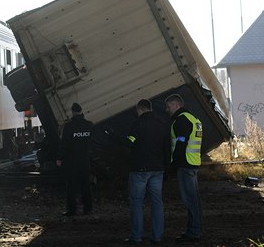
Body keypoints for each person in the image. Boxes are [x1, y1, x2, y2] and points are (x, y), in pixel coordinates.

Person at [106, 99, 170, 245]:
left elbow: (130, 141)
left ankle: (137, 236)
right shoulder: (162, 125)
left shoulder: (138, 123)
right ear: (151, 109)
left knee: (137, 203)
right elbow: (167, 148)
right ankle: (157, 237)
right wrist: (166, 167)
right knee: (157, 203)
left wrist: (113, 136)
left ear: (139, 110)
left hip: (140, 169)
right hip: (157, 169)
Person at [165, 93, 203, 244]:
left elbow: (181, 142)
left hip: (185, 165)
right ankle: (194, 230)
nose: (167, 110)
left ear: (175, 105)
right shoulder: (194, 119)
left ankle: (194, 232)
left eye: (168, 107)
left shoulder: (182, 120)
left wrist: (173, 165)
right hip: (192, 163)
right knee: (194, 200)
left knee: (190, 200)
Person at [56, 102, 94, 216]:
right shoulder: (89, 125)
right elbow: (93, 142)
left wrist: (59, 157)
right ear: (81, 111)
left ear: (72, 112)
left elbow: (64, 144)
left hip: (71, 161)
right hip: (85, 160)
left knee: (71, 186)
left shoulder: (69, 127)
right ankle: (88, 209)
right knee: (86, 185)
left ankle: (72, 210)